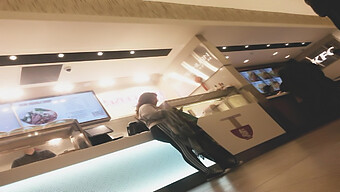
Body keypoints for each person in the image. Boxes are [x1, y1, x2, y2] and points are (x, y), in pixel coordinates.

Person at [136, 92, 239, 180]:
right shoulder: (145, 107)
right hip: (162, 128)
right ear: (149, 98)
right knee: (185, 148)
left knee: (186, 148)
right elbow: (153, 115)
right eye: (155, 98)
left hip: (161, 129)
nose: (156, 100)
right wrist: (165, 110)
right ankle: (207, 172)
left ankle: (208, 170)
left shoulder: (144, 107)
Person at [278, 59, 340, 123]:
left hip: (310, 94)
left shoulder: (286, 72)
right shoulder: (308, 65)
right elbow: (320, 74)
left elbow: (286, 86)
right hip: (326, 86)